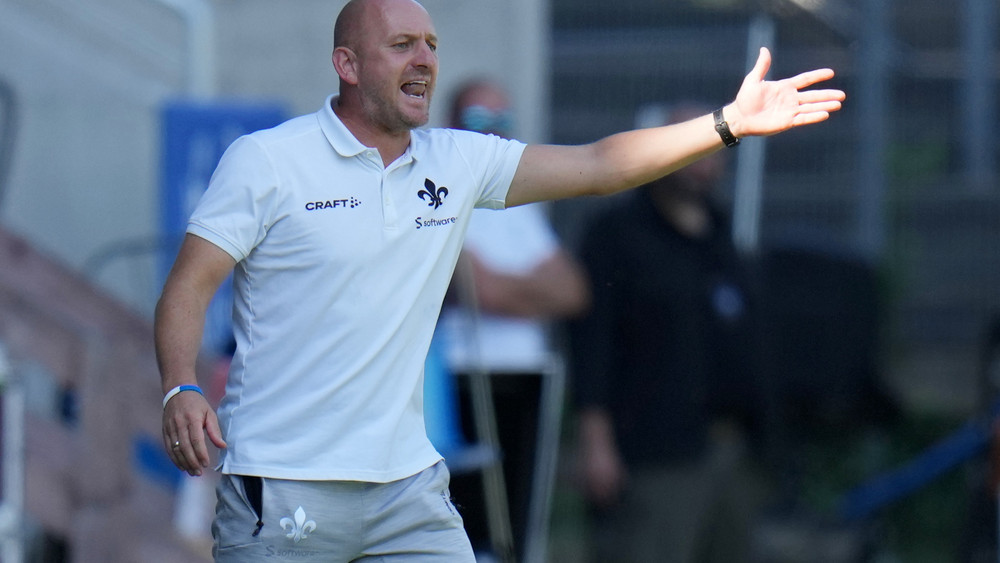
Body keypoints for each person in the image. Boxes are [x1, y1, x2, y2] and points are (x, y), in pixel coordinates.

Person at [154, 0, 845, 559]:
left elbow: (601, 165)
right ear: (348, 64)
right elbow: (189, 284)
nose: (424, 57)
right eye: (401, 45)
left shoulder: (457, 160)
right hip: (285, 482)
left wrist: (726, 124)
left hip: (408, 489)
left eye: (430, 43)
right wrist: (181, 384)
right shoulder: (268, 160)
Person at [571, 102, 768, 563]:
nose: (707, 156)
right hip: (653, 454)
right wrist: (595, 442)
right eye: (695, 141)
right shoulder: (616, 236)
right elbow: (591, 342)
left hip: (731, 450)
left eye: (718, 144)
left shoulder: (721, 235)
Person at [435, 78, 590, 559]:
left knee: (520, 527)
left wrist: (505, 290)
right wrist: (527, 291)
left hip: (527, 374)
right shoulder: (439, 195)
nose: (494, 134)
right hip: (460, 374)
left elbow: (573, 291)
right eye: (482, 122)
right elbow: (477, 289)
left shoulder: (518, 202)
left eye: (503, 122)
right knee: (463, 521)